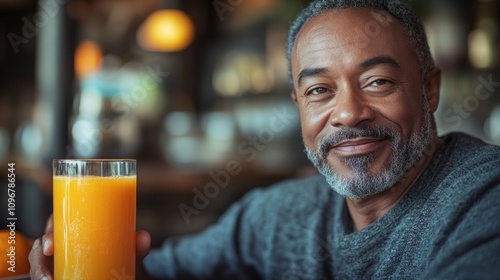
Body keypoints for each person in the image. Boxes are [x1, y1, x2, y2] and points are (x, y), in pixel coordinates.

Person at [30, 0, 500, 279]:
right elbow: (153, 271)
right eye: (319, 90)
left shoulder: (483, 199)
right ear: (299, 106)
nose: (348, 113)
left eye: (377, 81)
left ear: (430, 89)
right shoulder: (277, 215)